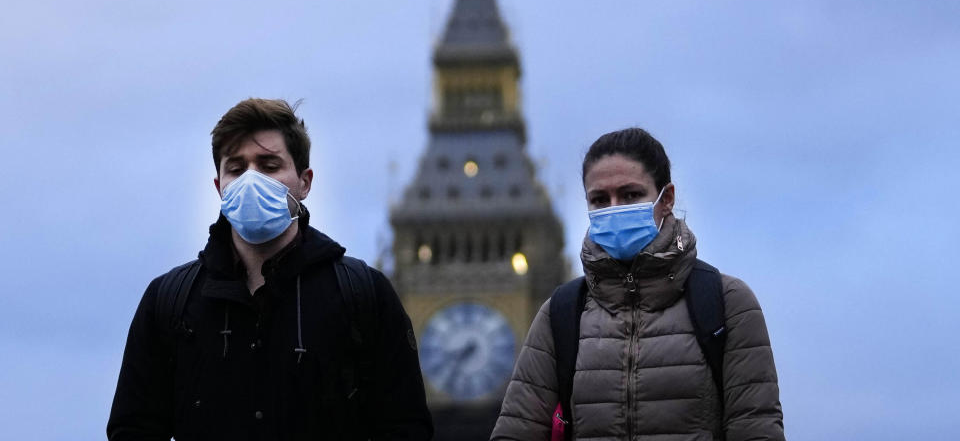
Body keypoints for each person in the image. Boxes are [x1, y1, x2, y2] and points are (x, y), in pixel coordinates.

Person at [107, 98, 433, 441]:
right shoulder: (171, 301)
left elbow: (404, 426)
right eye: (236, 168)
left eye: (269, 165)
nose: (251, 180)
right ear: (219, 187)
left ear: (304, 183)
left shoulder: (362, 295)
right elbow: (134, 427)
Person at [491, 128, 784, 441]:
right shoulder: (561, 314)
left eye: (630, 195)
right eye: (600, 199)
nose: (614, 208)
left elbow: (756, 429)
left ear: (666, 198)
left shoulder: (727, 304)